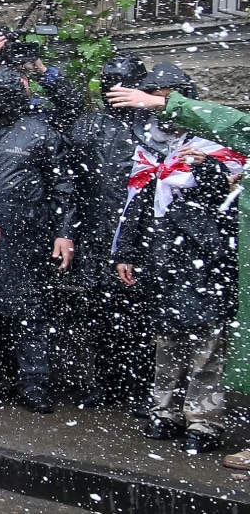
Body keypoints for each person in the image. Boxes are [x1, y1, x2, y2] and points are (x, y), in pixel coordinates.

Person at [105, 72, 250, 468]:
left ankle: (203, 421)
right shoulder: (149, 150)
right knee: (166, 342)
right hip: (164, 257)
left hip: (208, 260)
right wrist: (127, 251)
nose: (157, 107)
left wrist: (206, 169)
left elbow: (230, 203)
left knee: (207, 345)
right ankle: (163, 411)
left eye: (163, 98)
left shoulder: (219, 147)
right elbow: (136, 202)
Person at [0, 67, 75, 414]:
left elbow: (62, 188)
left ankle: (34, 382)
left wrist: (63, 232)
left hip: (26, 235)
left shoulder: (40, 134)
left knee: (29, 311)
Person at [65, 56, 158, 409]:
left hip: (138, 237)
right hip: (95, 234)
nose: (113, 88)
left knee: (137, 315)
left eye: (121, 81)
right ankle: (104, 381)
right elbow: (71, 182)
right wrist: (69, 230)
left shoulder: (154, 126)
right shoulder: (88, 125)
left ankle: (137, 386)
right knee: (100, 315)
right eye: (108, 81)